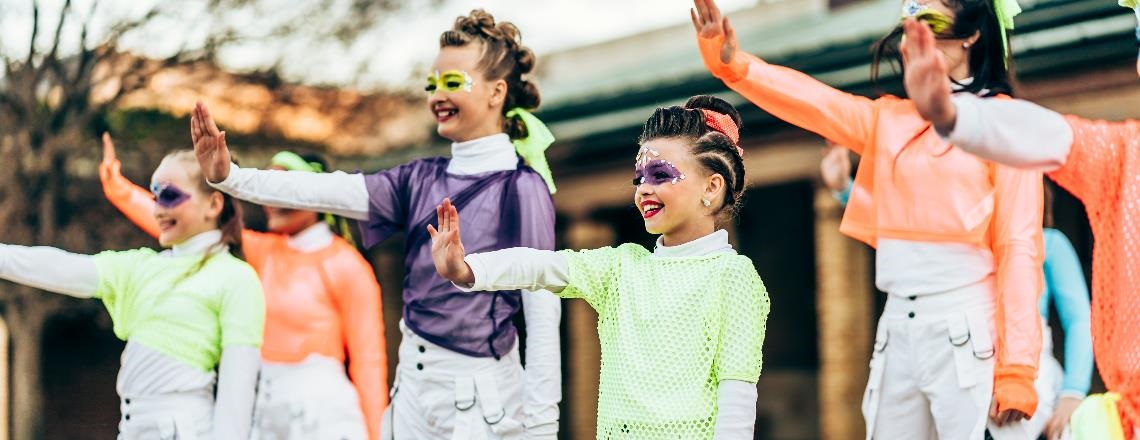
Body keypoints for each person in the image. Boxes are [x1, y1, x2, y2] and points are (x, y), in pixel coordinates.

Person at [191, 9, 562, 439]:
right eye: (432, 83)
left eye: (453, 82)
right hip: (411, 396)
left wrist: (541, 428)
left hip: (482, 402)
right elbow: (321, 191)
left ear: (497, 92)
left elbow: (542, 315)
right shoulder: (418, 177)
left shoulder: (522, 186)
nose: (437, 94)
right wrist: (230, 177)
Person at [691, 0, 1045, 437]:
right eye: (908, 22)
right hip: (897, 324)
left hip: (969, 325)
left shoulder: (1004, 122)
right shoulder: (891, 119)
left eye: (931, 21)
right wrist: (734, 65)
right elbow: (815, 102)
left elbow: (1020, 246)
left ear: (973, 33)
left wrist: (1017, 370)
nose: (915, 33)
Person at [430, 95, 769, 440]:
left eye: (660, 175)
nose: (644, 190)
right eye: (640, 178)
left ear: (711, 187)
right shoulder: (621, 269)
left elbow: (737, 399)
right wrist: (467, 270)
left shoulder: (733, 277)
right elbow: (542, 266)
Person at [899, 3, 1140, 433]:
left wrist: (1068, 393)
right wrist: (953, 114)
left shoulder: (1050, 245)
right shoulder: (1124, 154)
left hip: (1026, 395)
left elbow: (1076, 317)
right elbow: (1047, 133)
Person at [99, 133, 387, 439]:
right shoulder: (263, 252)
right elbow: (189, 222)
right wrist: (119, 188)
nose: (272, 202)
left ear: (313, 194)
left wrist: (377, 435)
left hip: (324, 416)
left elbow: (369, 362)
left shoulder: (347, 265)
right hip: (265, 410)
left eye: (285, 189)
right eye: (269, 189)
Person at [2, 150, 263, 439]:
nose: (158, 209)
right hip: (135, 427)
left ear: (214, 204)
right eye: (154, 196)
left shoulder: (236, 278)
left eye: (170, 196)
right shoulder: (142, 267)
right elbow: (60, 267)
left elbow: (237, 394)